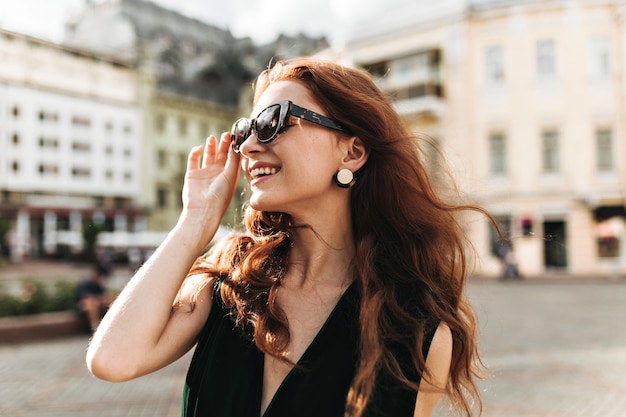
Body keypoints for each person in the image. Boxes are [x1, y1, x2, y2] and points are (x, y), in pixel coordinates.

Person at [87, 58, 487, 417]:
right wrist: (194, 221)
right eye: (246, 129)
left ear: (352, 153)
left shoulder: (415, 331)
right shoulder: (231, 283)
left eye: (272, 122)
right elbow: (112, 360)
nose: (247, 146)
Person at [74, 267, 112, 332]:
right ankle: (94, 326)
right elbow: (85, 297)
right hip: (83, 306)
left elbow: (104, 296)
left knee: (109, 300)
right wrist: (98, 299)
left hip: (98, 305)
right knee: (91, 303)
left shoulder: (99, 286)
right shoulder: (85, 284)